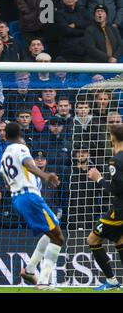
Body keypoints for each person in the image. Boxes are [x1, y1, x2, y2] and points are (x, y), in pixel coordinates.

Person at [0, 122, 64, 290]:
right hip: (29, 196)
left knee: (50, 232)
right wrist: (46, 175)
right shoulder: (21, 148)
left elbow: (6, 182)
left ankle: (29, 270)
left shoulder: (4, 156)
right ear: (20, 133)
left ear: (5, 136)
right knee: (58, 237)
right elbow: (29, 164)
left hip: (17, 199)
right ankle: (42, 282)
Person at [87, 124, 123, 291]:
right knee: (120, 240)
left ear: (112, 138)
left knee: (92, 239)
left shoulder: (115, 160)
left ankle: (112, 281)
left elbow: (116, 190)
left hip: (120, 210)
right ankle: (113, 282)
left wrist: (98, 178)